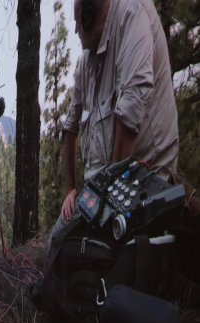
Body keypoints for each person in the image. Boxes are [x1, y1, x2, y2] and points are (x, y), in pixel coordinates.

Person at [47, 0, 179, 251]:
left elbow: (129, 112)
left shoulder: (132, 13)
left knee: (99, 258)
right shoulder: (87, 62)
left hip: (143, 183)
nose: (75, 30)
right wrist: (70, 189)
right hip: (98, 191)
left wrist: (107, 210)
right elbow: (71, 125)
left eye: (77, 22)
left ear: (89, 16)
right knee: (57, 240)